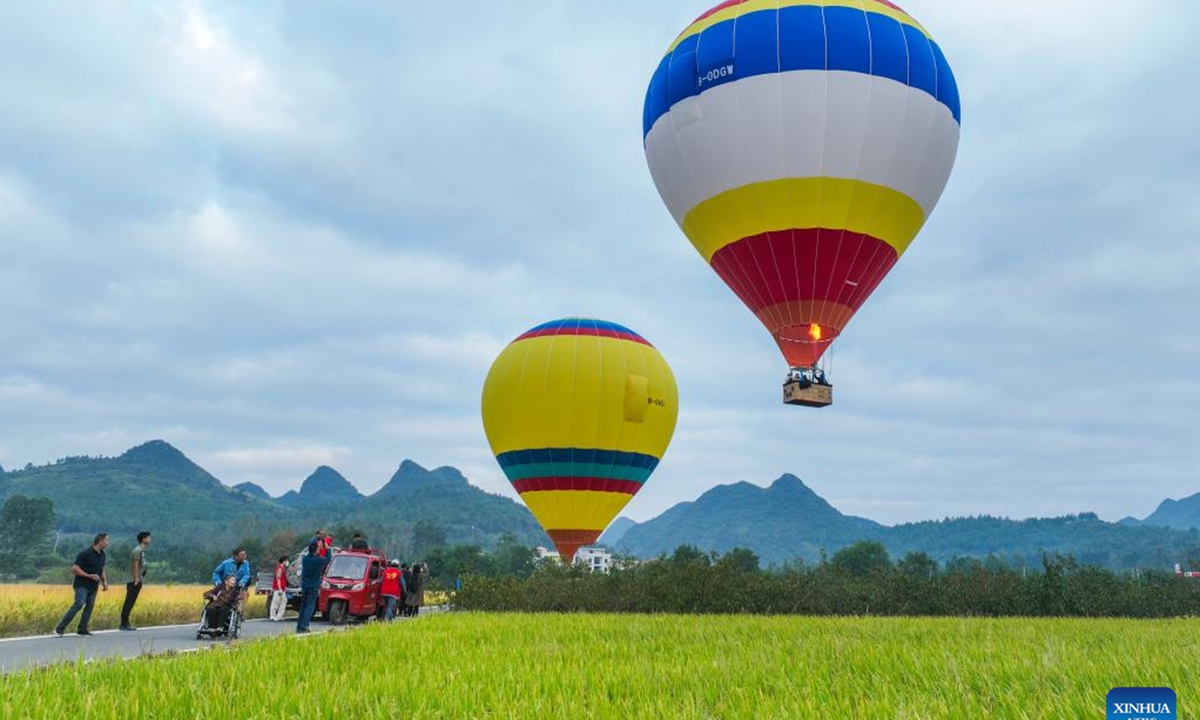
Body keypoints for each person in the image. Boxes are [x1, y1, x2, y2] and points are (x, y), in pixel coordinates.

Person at [55, 533, 109, 637]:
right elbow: (75, 568)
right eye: (106, 540)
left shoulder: (102, 554)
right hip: (82, 585)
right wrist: (88, 576)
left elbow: (102, 568)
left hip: (93, 586)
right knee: (79, 604)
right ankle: (60, 628)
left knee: (89, 606)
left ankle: (82, 629)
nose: (108, 543)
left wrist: (104, 581)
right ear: (100, 541)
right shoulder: (85, 553)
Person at [119, 531, 152, 631]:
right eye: (148, 537)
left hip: (137, 579)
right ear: (143, 539)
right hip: (134, 580)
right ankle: (124, 623)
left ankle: (125, 622)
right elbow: (135, 565)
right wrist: (136, 579)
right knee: (129, 601)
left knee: (131, 601)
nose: (150, 539)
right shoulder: (137, 551)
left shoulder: (141, 551)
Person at [296, 541, 329, 634]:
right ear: (315, 550)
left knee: (303, 606)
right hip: (313, 586)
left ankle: (299, 626)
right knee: (310, 607)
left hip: (305, 585)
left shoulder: (305, 559)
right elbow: (328, 559)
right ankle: (304, 626)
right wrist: (328, 549)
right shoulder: (318, 560)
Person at [269, 555, 290, 621]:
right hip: (278, 589)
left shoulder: (282, 568)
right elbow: (278, 578)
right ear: (283, 561)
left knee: (283, 601)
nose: (287, 562)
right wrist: (280, 588)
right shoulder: (280, 568)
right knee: (276, 602)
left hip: (282, 588)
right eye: (286, 560)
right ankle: (273, 615)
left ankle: (279, 616)